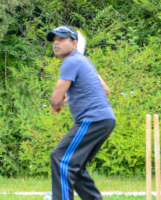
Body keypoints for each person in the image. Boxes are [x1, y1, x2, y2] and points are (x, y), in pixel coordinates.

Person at [47, 25, 115, 200]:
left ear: (74, 43)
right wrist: (70, 97)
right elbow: (105, 90)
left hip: (92, 119)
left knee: (61, 158)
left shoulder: (71, 61)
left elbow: (56, 96)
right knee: (75, 166)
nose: (56, 43)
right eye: (54, 40)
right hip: (105, 119)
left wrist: (57, 104)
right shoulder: (83, 61)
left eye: (61, 39)